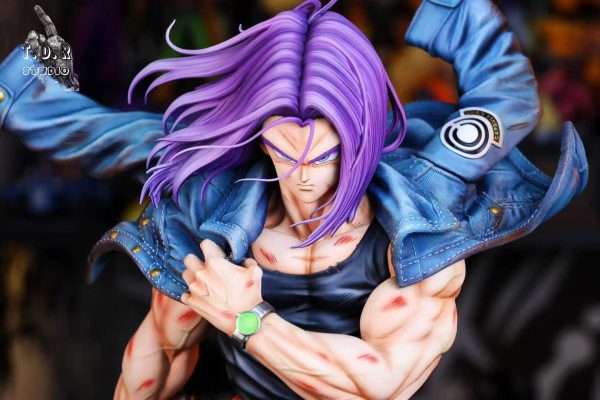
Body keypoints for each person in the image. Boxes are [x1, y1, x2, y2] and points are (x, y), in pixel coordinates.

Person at [0, 0, 588, 398]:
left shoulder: (417, 230)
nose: (303, 178)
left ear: (359, 141)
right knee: (159, 147)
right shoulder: (215, 220)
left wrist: (245, 319)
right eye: (284, 153)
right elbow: (158, 358)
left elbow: (376, 387)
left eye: (324, 156)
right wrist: (25, 99)